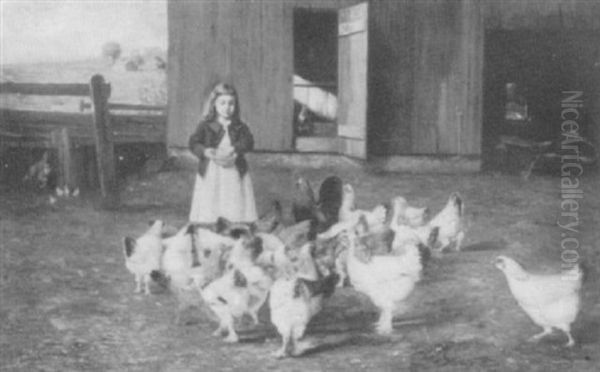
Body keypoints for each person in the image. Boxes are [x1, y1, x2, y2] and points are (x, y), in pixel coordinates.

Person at [188, 83, 257, 224]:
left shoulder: (239, 126)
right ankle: (211, 223)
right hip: (212, 169)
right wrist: (205, 151)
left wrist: (235, 148)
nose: (227, 107)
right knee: (213, 196)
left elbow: (249, 142)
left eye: (231, 103)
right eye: (223, 103)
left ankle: (234, 223)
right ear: (214, 104)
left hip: (233, 168)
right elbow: (193, 143)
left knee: (233, 196)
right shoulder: (206, 125)